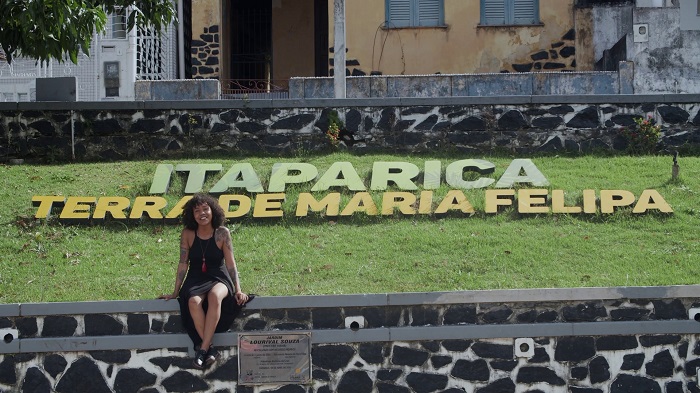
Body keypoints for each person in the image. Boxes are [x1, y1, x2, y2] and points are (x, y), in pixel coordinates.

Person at [159, 193, 251, 369]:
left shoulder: (222, 233)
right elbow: (182, 263)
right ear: (191, 215)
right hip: (195, 276)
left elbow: (231, 263)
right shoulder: (187, 233)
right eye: (197, 211)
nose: (202, 213)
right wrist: (175, 291)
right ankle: (210, 350)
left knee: (215, 296)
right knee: (193, 301)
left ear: (213, 211)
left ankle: (202, 350)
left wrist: (238, 289)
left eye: (205, 209)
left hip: (219, 276)